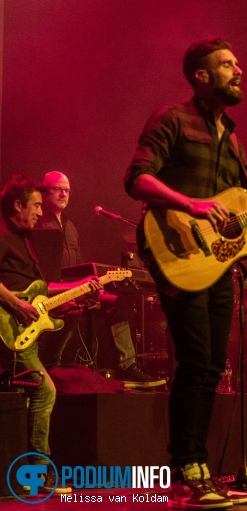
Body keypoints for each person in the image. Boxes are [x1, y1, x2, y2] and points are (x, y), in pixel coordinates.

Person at [124, 37, 247, 509]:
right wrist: (191, 204)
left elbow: (242, 217)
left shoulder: (232, 138)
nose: (238, 69)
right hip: (176, 253)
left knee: (213, 365)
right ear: (201, 76)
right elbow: (136, 178)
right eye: (227, 64)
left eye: (237, 62)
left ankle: (202, 468)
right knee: (194, 361)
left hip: (217, 265)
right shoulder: (172, 119)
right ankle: (185, 468)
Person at [0, 174, 103, 494]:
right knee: (44, 391)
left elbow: (43, 290)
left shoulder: (26, 240)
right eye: (34, 206)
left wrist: (83, 289)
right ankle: (39, 476)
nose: (39, 212)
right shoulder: (2, 235)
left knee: (46, 388)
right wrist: (15, 303)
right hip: (6, 326)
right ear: (17, 205)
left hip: (24, 328)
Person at [37, 171, 165, 388]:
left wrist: (93, 286)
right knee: (73, 311)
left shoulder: (70, 226)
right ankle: (50, 368)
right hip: (52, 292)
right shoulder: (37, 223)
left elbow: (78, 264)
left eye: (67, 190)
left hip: (76, 289)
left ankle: (128, 366)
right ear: (44, 191)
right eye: (58, 189)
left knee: (115, 303)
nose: (63, 194)